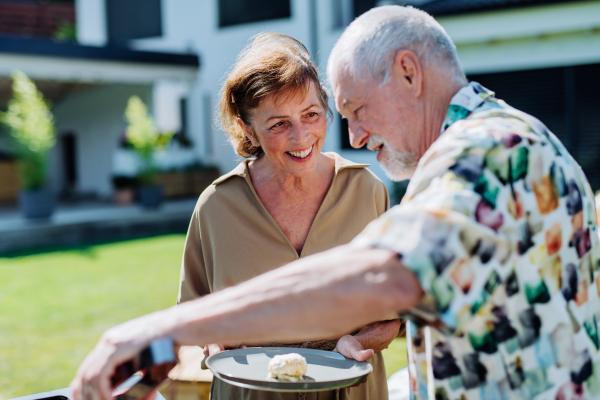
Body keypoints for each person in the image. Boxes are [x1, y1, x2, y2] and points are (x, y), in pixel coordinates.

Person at [72, 6, 600, 400]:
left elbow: (382, 277)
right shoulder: (511, 137)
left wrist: (159, 330)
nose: (356, 134)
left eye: (355, 108)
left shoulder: (488, 151)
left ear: (410, 73)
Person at [177, 33, 397, 400]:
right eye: (278, 124)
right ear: (247, 129)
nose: (302, 137)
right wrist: (211, 341)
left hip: (353, 391)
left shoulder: (367, 191)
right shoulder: (216, 206)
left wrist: (358, 341)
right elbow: (192, 314)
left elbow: (398, 310)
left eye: (311, 115)